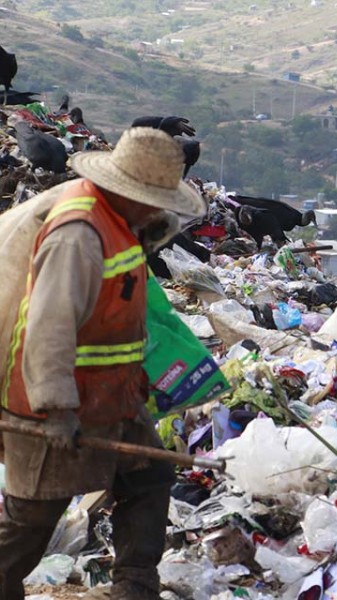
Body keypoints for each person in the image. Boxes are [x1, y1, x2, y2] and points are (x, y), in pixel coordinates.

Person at [0, 127, 206, 600]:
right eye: (155, 200)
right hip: (52, 401)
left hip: (111, 398)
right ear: (129, 192)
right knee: (31, 521)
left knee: (149, 478)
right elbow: (48, 325)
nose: (160, 211)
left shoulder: (118, 224)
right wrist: (57, 408)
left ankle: (135, 586)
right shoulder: (78, 235)